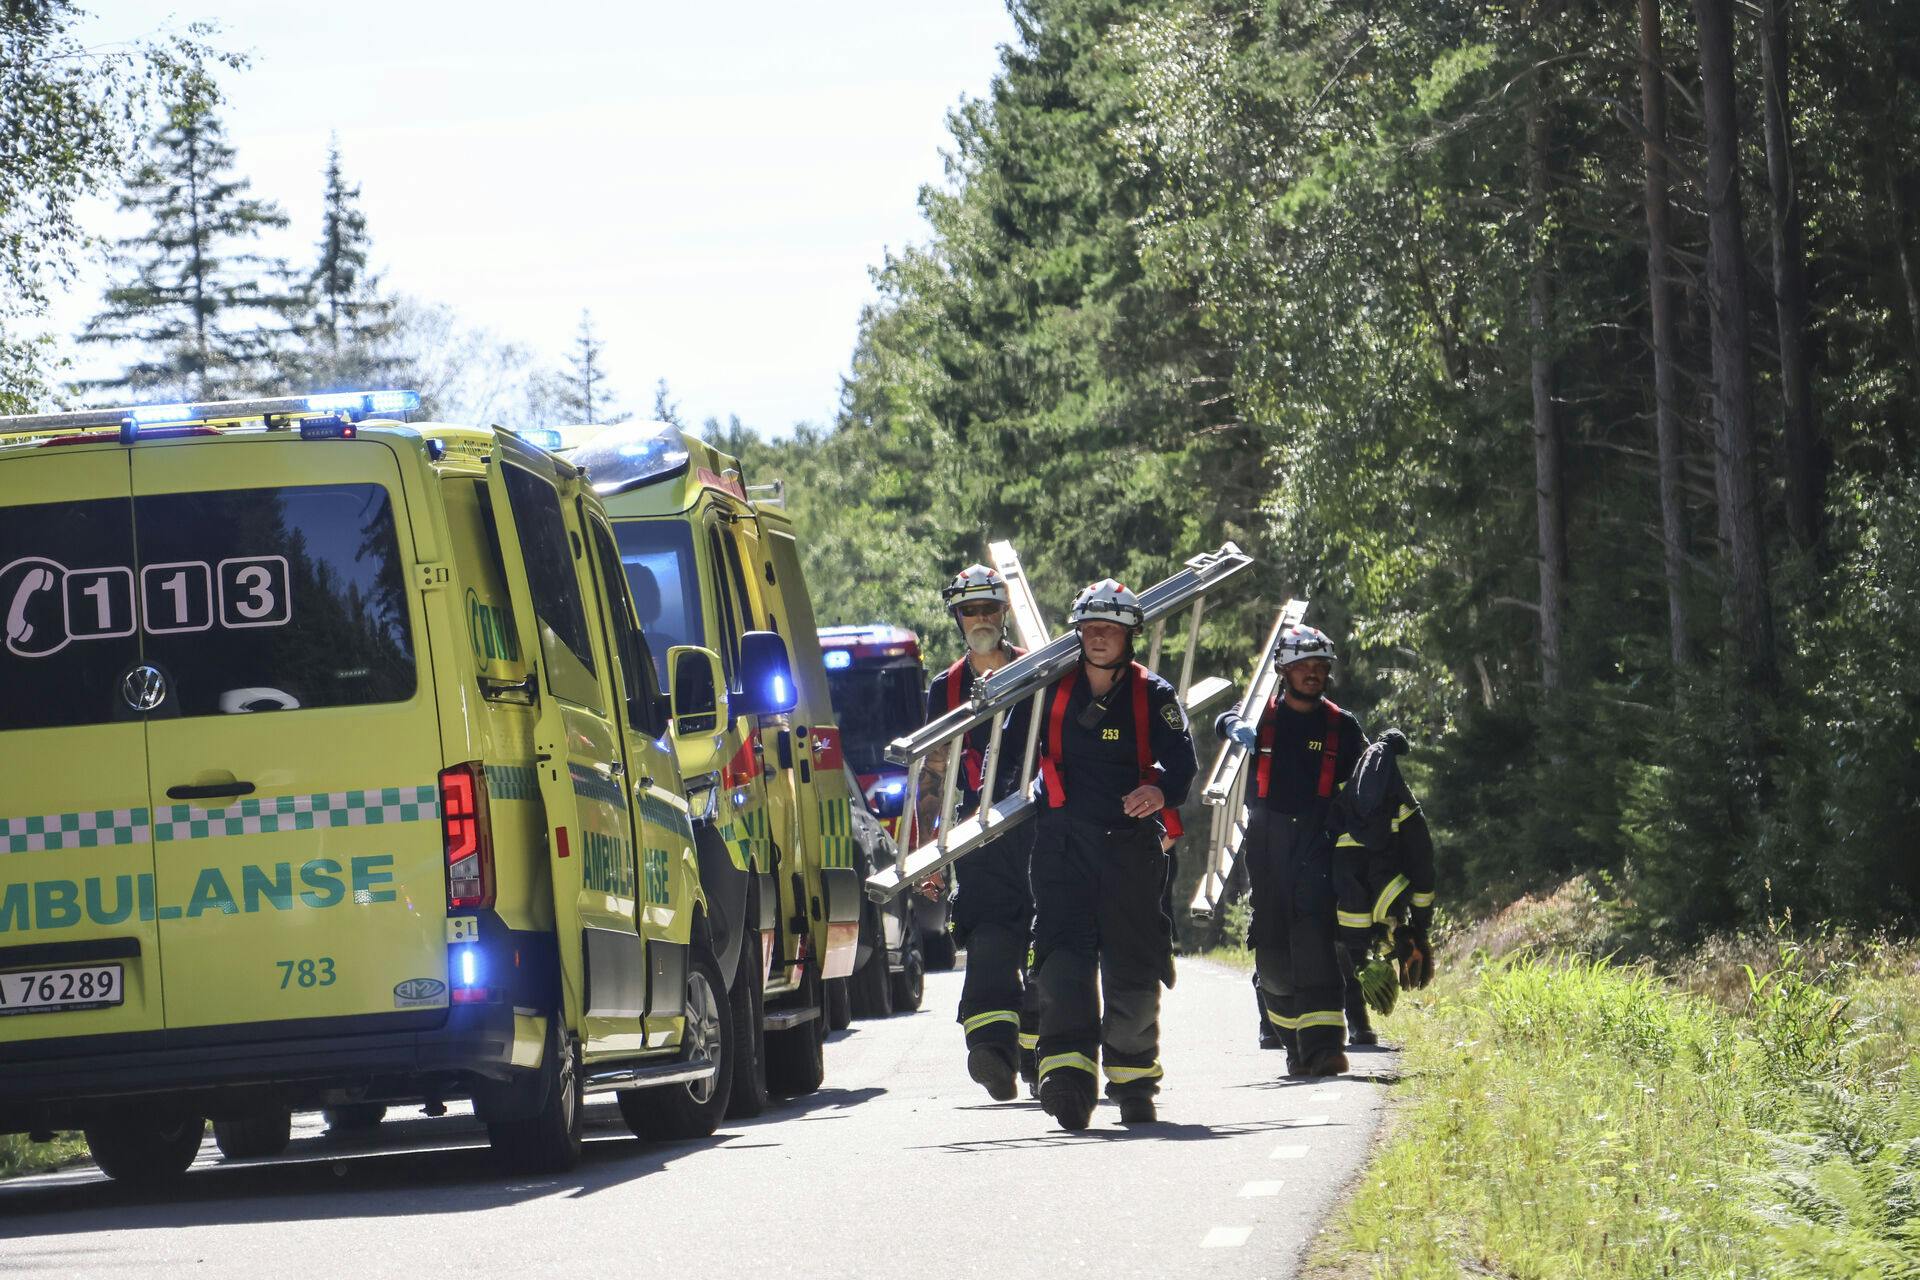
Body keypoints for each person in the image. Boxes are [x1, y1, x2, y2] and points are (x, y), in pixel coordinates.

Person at [1029, 579, 1197, 1129]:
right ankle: (1067, 1079)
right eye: (1090, 627)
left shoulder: (1156, 696)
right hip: (1063, 848)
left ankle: (1133, 1083)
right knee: (1063, 961)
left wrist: (1160, 791)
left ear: (1130, 634)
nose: (1099, 637)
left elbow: (1183, 764)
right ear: (1078, 632)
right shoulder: (1049, 690)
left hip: (1130, 852)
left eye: (1111, 628)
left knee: (1132, 963)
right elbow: (1008, 755)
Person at [1215, 623, 1365, 1078]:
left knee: (1316, 938)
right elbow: (1224, 719)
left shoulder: (1341, 725)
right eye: (1303, 666)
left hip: (1318, 842)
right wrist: (1232, 725)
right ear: (1283, 670)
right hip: (1266, 842)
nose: (1313, 673)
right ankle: (1294, 1043)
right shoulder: (1261, 716)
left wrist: (1384, 754)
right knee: (1274, 951)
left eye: (1320, 666)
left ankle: (1324, 1048)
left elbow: (1366, 782)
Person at [918, 564, 1037, 1102]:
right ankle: (991, 1047)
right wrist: (930, 855)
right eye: (971, 610)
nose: (981, 618)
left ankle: (1045, 1050)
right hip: (977, 831)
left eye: (990, 608)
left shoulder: (1037, 670)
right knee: (988, 929)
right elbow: (932, 774)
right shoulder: (944, 690)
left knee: (1048, 936)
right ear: (958, 618)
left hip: (1039, 825)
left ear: (1005, 611)